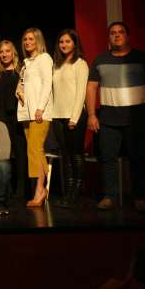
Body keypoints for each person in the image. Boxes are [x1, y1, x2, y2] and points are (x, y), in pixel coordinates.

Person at [87, 21, 145, 212]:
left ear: (127, 36)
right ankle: (109, 196)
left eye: (121, 32)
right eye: (112, 33)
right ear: (109, 37)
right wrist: (91, 115)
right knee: (107, 158)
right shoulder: (100, 60)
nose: (117, 35)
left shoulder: (143, 58)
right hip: (108, 120)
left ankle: (139, 197)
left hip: (136, 119)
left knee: (138, 158)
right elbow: (92, 87)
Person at [50, 29, 89, 208]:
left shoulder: (80, 64)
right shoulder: (57, 65)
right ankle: (67, 194)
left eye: (67, 41)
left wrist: (74, 117)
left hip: (74, 116)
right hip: (58, 116)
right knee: (65, 155)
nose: (63, 45)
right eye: (61, 42)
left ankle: (75, 194)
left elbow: (81, 92)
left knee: (76, 155)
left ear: (75, 44)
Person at [17, 28, 54, 208]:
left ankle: (41, 189)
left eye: (31, 39)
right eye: (25, 39)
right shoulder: (26, 62)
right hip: (27, 113)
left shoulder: (44, 58)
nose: (27, 42)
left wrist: (40, 108)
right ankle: (37, 189)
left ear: (38, 40)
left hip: (40, 112)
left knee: (36, 149)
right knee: (32, 151)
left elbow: (47, 83)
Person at [0, 40, 28, 201]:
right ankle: (5, 189)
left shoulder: (21, 71)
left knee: (20, 153)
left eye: (7, 51)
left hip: (18, 116)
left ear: (13, 53)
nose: (4, 54)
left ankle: (21, 190)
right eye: (1, 52)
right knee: (4, 154)